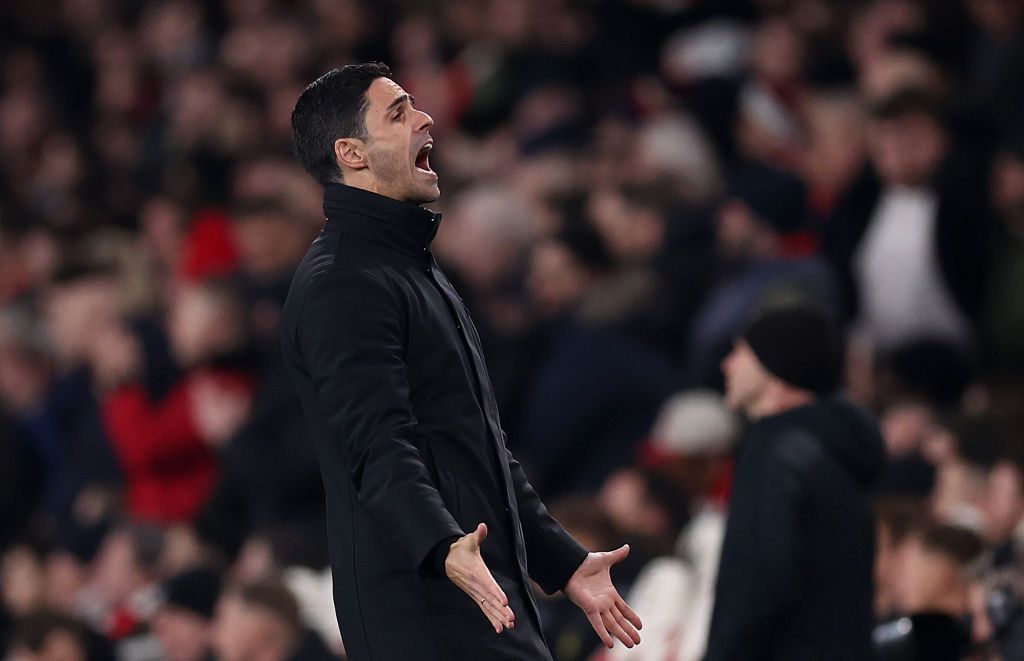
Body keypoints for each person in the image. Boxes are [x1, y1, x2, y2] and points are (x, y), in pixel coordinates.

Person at [281, 62, 642, 660]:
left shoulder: (410, 267)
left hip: (476, 588)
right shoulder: (342, 283)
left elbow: (477, 446)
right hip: (425, 607)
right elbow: (375, 445)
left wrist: (563, 562)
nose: (425, 119)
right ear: (352, 153)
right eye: (398, 114)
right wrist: (443, 543)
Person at [704, 303, 886, 661]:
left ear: (774, 364)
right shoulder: (831, 448)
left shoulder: (777, 452)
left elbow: (757, 586)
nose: (728, 364)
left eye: (741, 351)